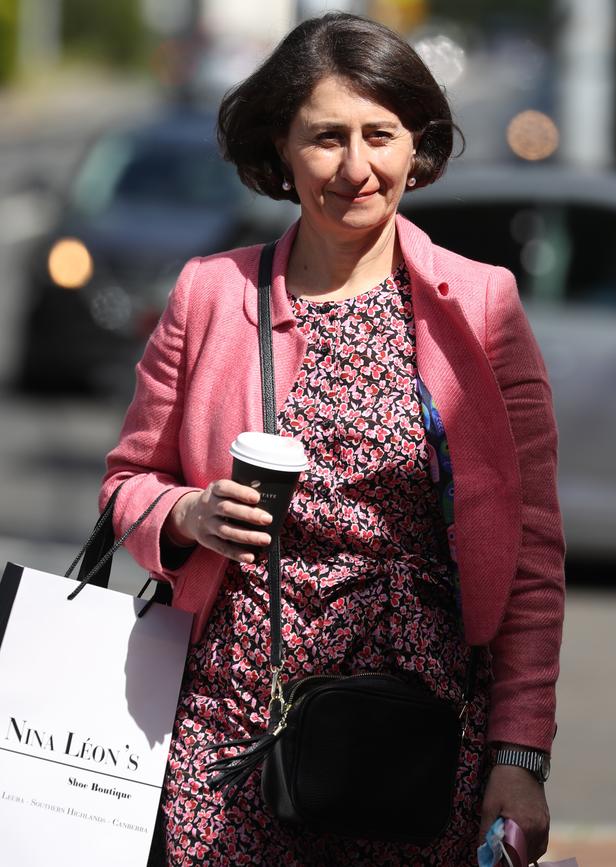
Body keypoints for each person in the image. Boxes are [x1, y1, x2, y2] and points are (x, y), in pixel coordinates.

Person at [102, 12, 565, 866]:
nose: (357, 167)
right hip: (229, 737)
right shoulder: (210, 294)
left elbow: (532, 559)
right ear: (281, 149)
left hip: (422, 748)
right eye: (325, 137)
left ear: (414, 146)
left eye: (379, 134)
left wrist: (520, 755)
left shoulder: (486, 306)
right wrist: (189, 514)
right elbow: (127, 484)